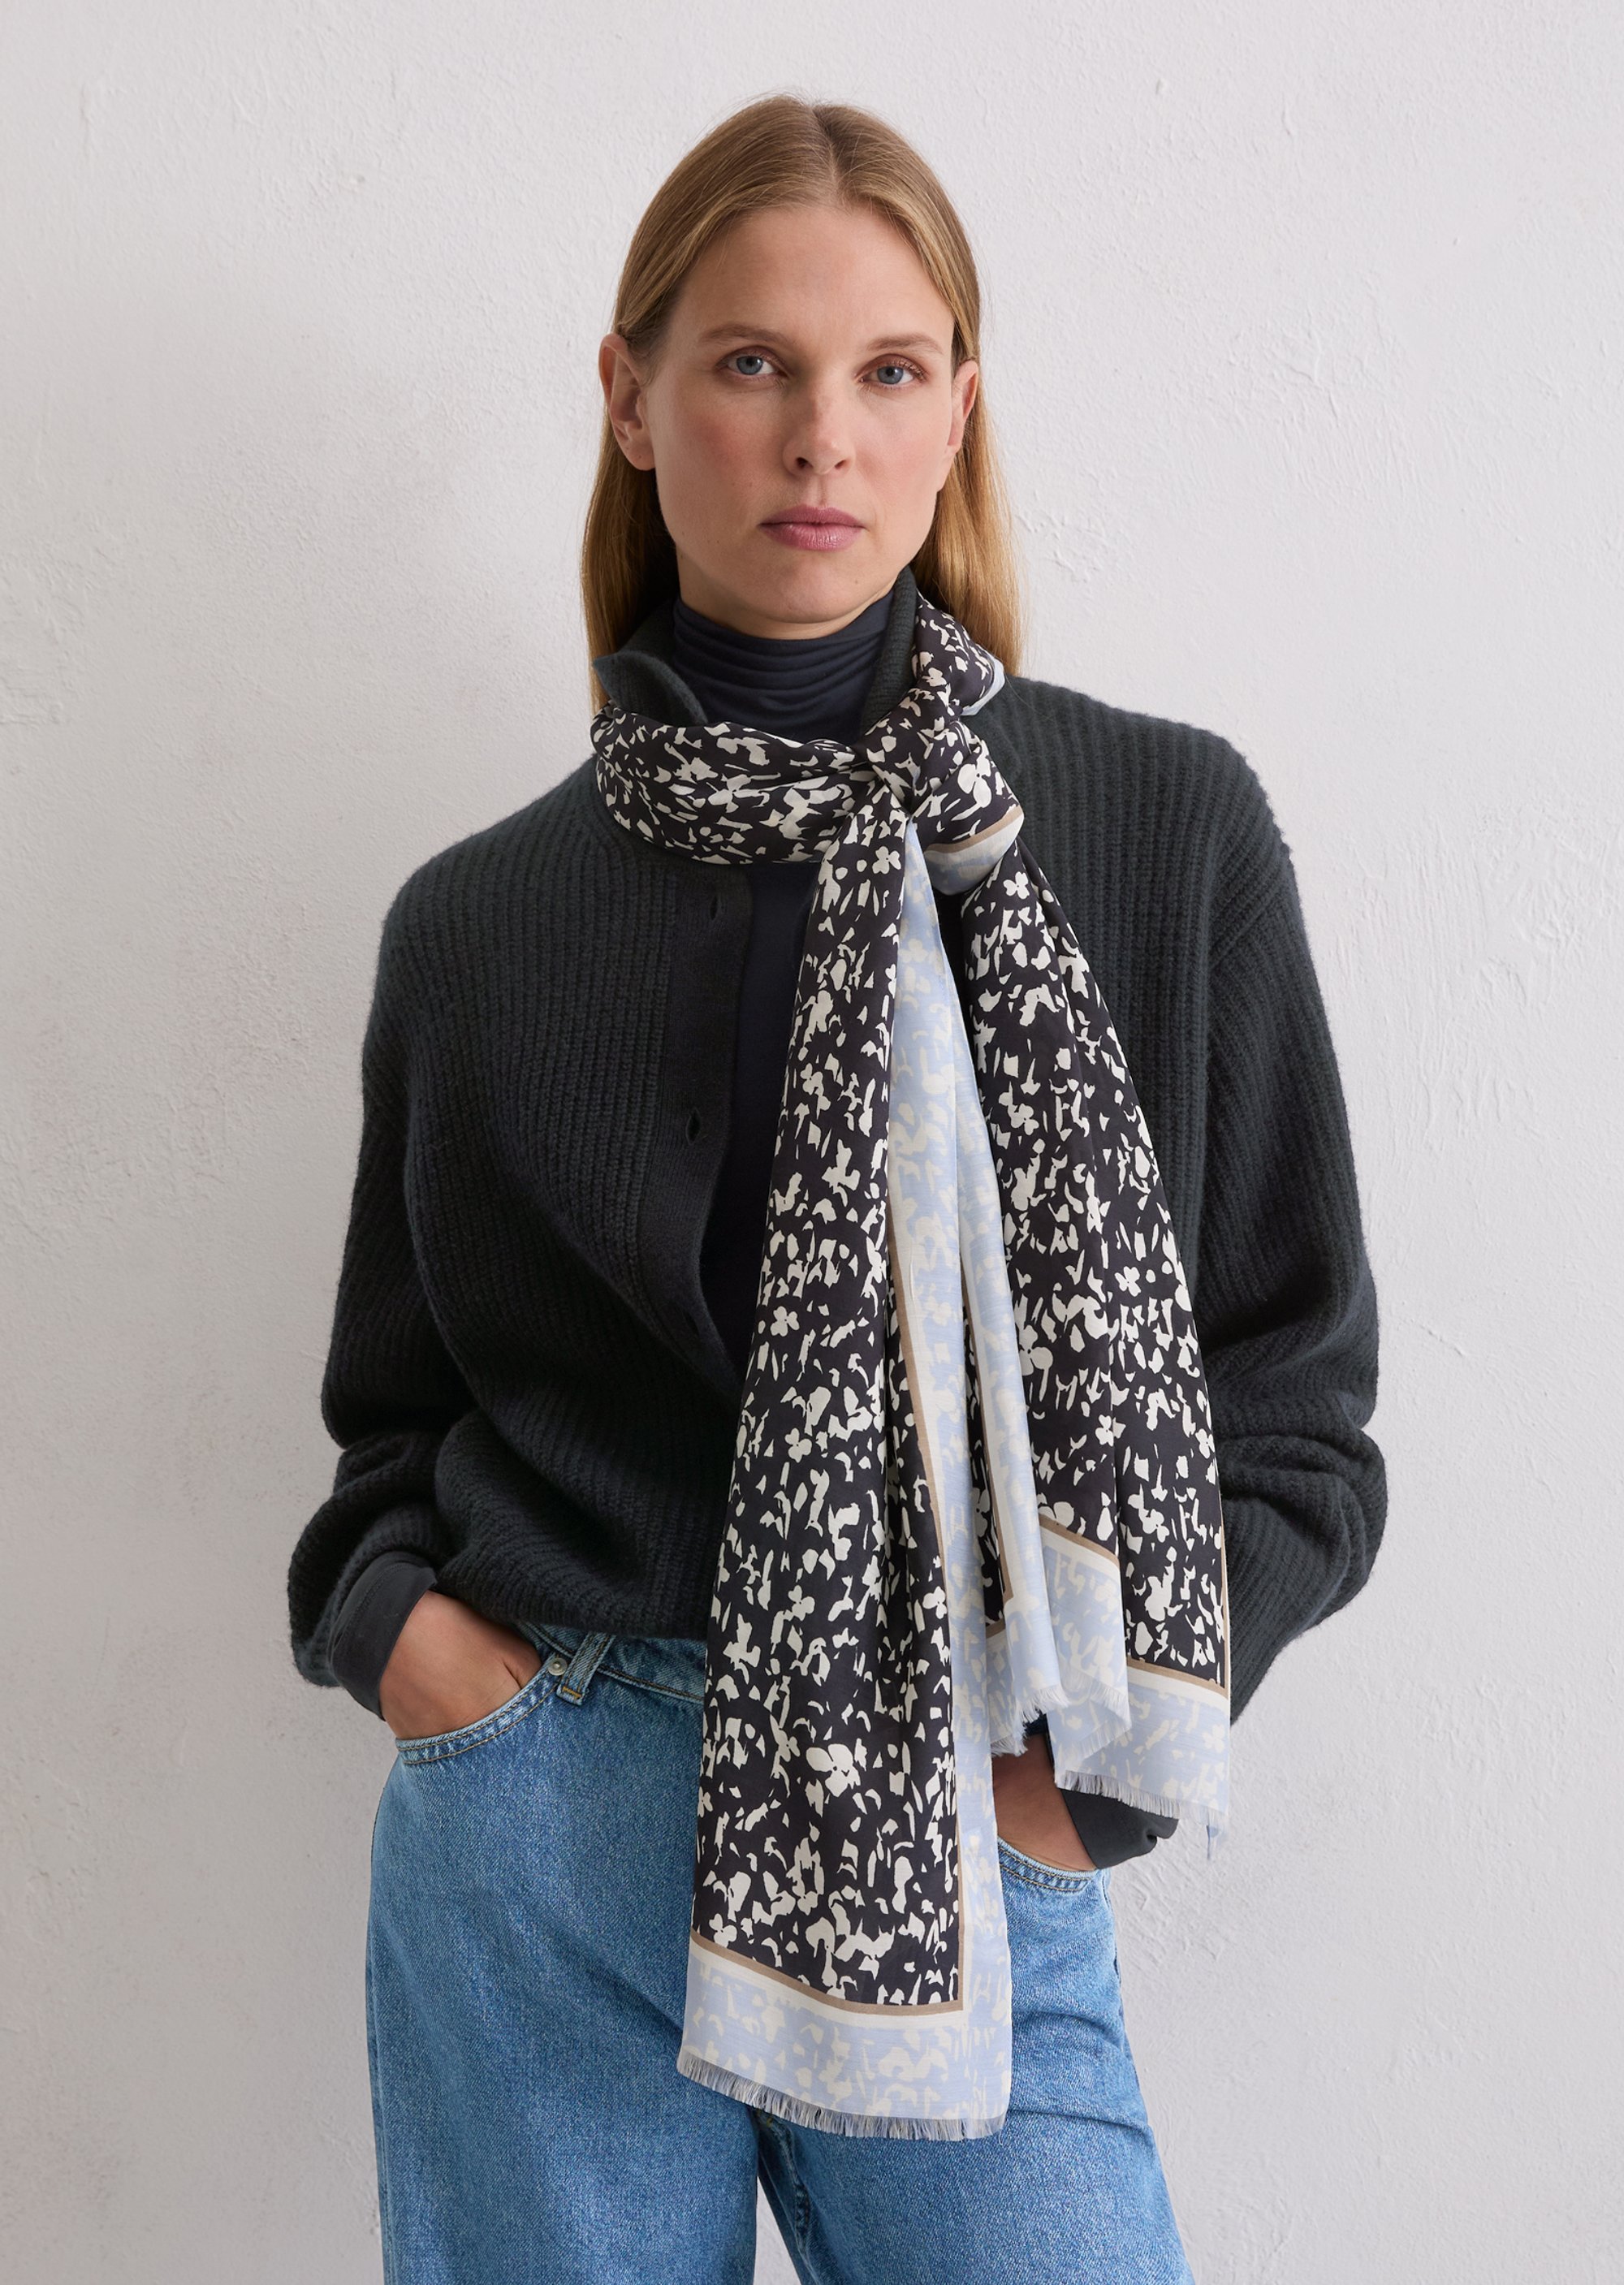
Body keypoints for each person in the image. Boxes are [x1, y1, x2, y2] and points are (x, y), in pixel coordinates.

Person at [287, 94, 1385, 2285]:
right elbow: (392, 1431)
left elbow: (1297, 1403)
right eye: (751, 363)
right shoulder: (478, 925)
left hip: (971, 1813)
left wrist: (1072, 1795)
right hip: (555, 1824)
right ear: (631, 403)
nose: (823, 436)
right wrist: (424, 1655)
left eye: (889, 369)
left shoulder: (1155, 834)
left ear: (960, 408)